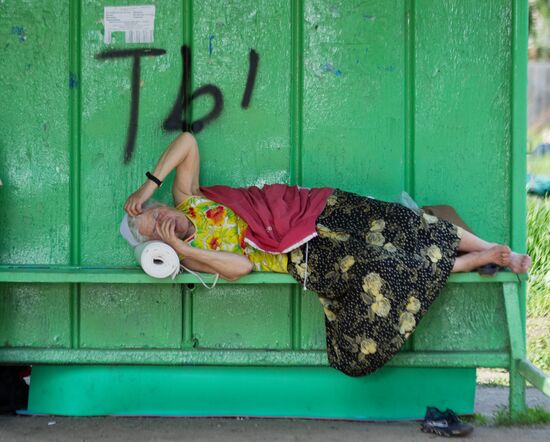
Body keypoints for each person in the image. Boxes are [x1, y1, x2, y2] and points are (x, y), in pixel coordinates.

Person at [121, 132, 531, 377]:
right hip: (303, 255)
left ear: (162, 203)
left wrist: (145, 189)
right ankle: (472, 260)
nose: (160, 222)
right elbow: (241, 266)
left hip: (304, 209)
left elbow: (188, 140)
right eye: (153, 231)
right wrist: (181, 249)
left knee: (399, 222)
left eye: (156, 213)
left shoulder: (187, 197)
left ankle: (493, 250)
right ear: (158, 248)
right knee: (380, 271)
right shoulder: (191, 256)